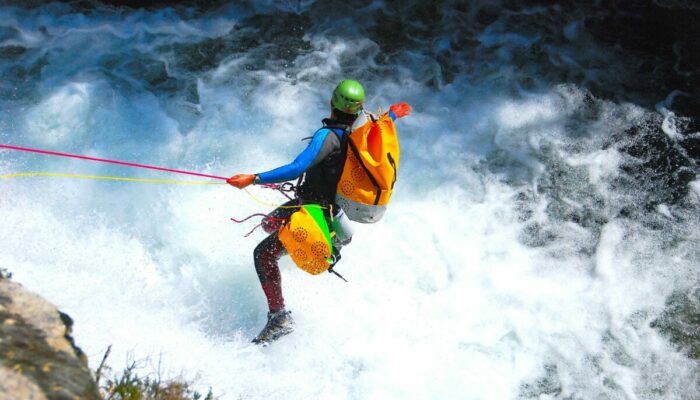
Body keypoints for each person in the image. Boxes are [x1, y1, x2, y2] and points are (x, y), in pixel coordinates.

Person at [228, 79, 411, 344]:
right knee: (269, 225)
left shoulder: (328, 136)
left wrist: (253, 178)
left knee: (262, 254)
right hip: (330, 210)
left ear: (332, 102)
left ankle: (279, 317)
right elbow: (379, 124)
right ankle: (286, 257)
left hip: (310, 211)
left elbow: (297, 167)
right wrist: (392, 114)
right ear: (358, 109)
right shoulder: (360, 134)